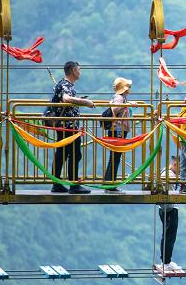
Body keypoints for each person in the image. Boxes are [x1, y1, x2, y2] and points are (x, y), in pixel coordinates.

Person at [50, 61, 95, 194]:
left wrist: (78, 99)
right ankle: (74, 185)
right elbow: (66, 98)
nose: (80, 72)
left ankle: (56, 184)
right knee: (75, 154)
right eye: (79, 69)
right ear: (73, 70)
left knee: (62, 155)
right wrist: (85, 102)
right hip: (68, 127)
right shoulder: (65, 85)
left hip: (65, 126)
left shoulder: (65, 84)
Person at [103, 77, 133, 193]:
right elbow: (115, 109)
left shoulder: (121, 98)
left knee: (115, 157)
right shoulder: (119, 98)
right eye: (127, 87)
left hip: (118, 129)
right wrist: (127, 105)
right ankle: (110, 185)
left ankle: (109, 183)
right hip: (117, 130)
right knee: (115, 157)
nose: (129, 89)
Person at [158, 156, 180, 272]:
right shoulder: (169, 175)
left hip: (164, 208)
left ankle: (165, 260)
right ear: (175, 164)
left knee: (167, 235)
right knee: (170, 236)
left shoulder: (164, 171)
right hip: (170, 208)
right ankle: (166, 262)